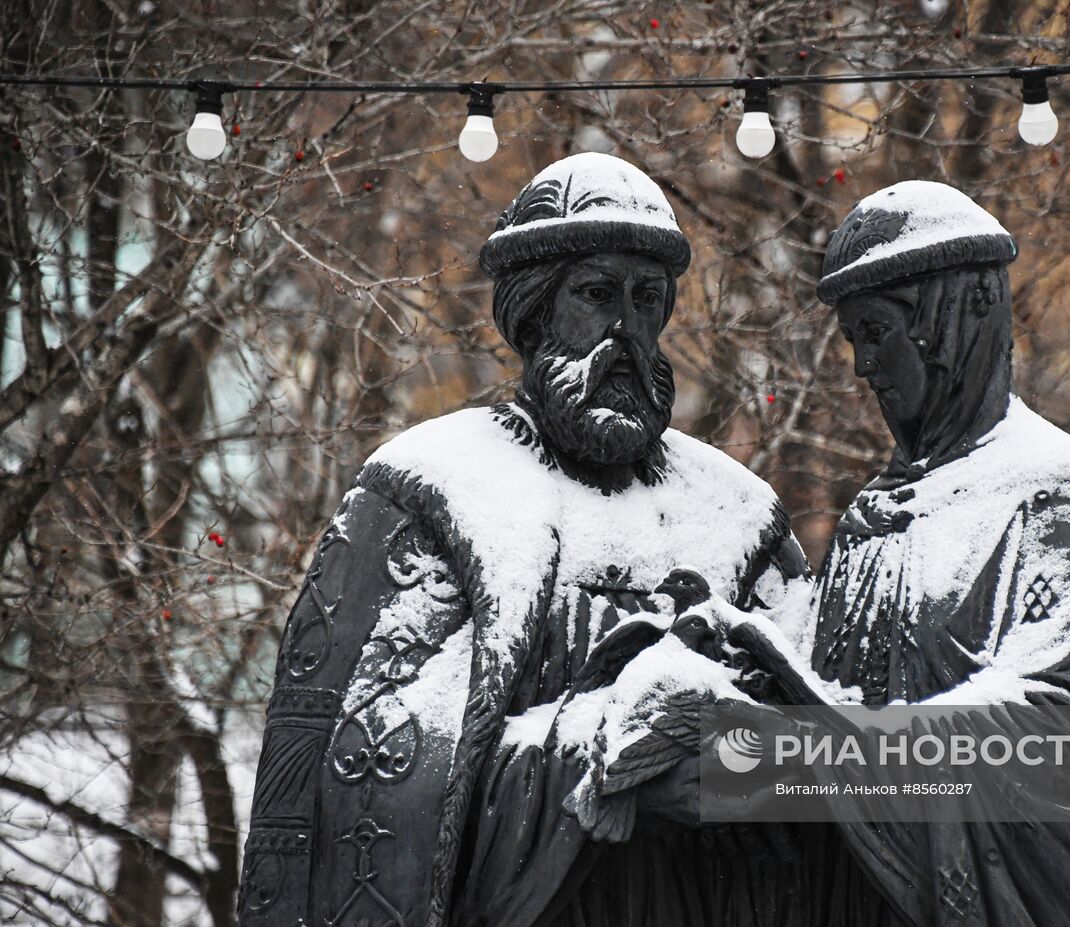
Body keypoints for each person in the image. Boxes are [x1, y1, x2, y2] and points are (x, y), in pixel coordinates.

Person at [236, 153, 809, 927]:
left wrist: (743, 759)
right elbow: (351, 763)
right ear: (536, 314)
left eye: (647, 301)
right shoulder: (424, 494)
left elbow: (822, 733)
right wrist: (603, 759)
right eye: (598, 295)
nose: (627, 331)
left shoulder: (741, 516)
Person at [804, 180, 1070, 924]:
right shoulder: (870, 519)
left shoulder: (1053, 489)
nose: (862, 368)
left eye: (875, 333)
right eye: (852, 342)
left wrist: (868, 748)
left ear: (953, 319)